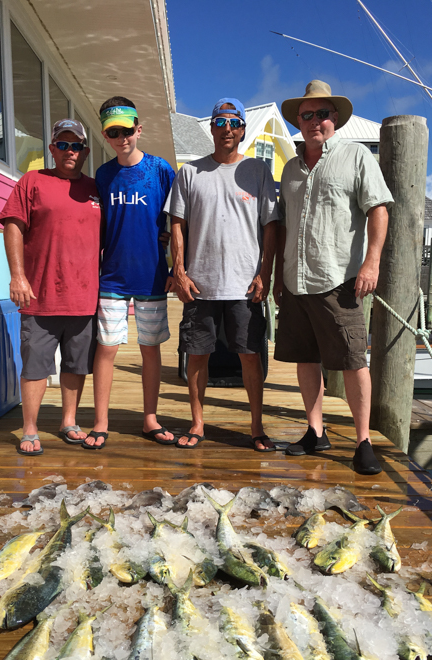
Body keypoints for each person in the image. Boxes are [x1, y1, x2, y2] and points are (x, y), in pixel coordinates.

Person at [274, 81, 393, 475]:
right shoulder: (290, 168)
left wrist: (371, 263)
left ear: (335, 119)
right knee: (305, 358)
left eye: (322, 114)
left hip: (338, 279)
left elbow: (378, 209)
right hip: (295, 280)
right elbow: (285, 227)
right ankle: (315, 430)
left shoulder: (357, 156)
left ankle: (362, 440)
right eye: (307, 115)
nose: (314, 122)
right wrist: (277, 277)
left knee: (353, 360)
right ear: (298, 120)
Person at [167, 98, 279, 451]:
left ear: (243, 129)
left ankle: (256, 426)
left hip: (245, 284)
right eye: (220, 122)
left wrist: (266, 274)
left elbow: (271, 227)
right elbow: (177, 224)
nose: (227, 128)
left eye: (234, 122)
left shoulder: (259, 170)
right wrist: (180, 271)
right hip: (200, 284)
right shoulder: (189, 172)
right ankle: (197, 423)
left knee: (250, 355)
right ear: (211, 128)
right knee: (197, 355)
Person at [1, 119, 101, 455]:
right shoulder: (32, 181)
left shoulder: (95, 187)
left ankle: (68, 421)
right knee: (35, 366)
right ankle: (30, 428)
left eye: (76, 146)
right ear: (52, 149)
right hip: (39, 296)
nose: (70, 151)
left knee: (76, 365)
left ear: (85, 151)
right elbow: (12, 226)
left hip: (85, 296)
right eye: (63, 144)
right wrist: (18, 276)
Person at [82, 96, 176, 450]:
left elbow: (178, 218)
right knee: (106, 348)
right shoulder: (104, 175)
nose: (122, 138)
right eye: (113, 133)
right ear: (107, 136)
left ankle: (150, 418)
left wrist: (175, 263)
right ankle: (101, 422)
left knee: (150, 348)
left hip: (152, 275)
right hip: (112, 278)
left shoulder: (161, 169)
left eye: (127, 130)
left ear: (139, 128)